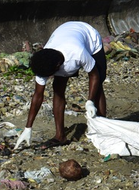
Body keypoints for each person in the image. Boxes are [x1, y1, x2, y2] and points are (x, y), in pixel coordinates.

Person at [16, 21, 107, 149]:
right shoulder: (44, 60)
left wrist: (90, 101)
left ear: (58, 67)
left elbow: (94, 75)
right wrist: (28, 127)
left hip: (89, 38)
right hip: (63, 32)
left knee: (98, 87)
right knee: (58, 89)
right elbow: (38, 95)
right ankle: (60, 136)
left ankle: (104, 130)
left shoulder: (78, 53)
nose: (47, 77)